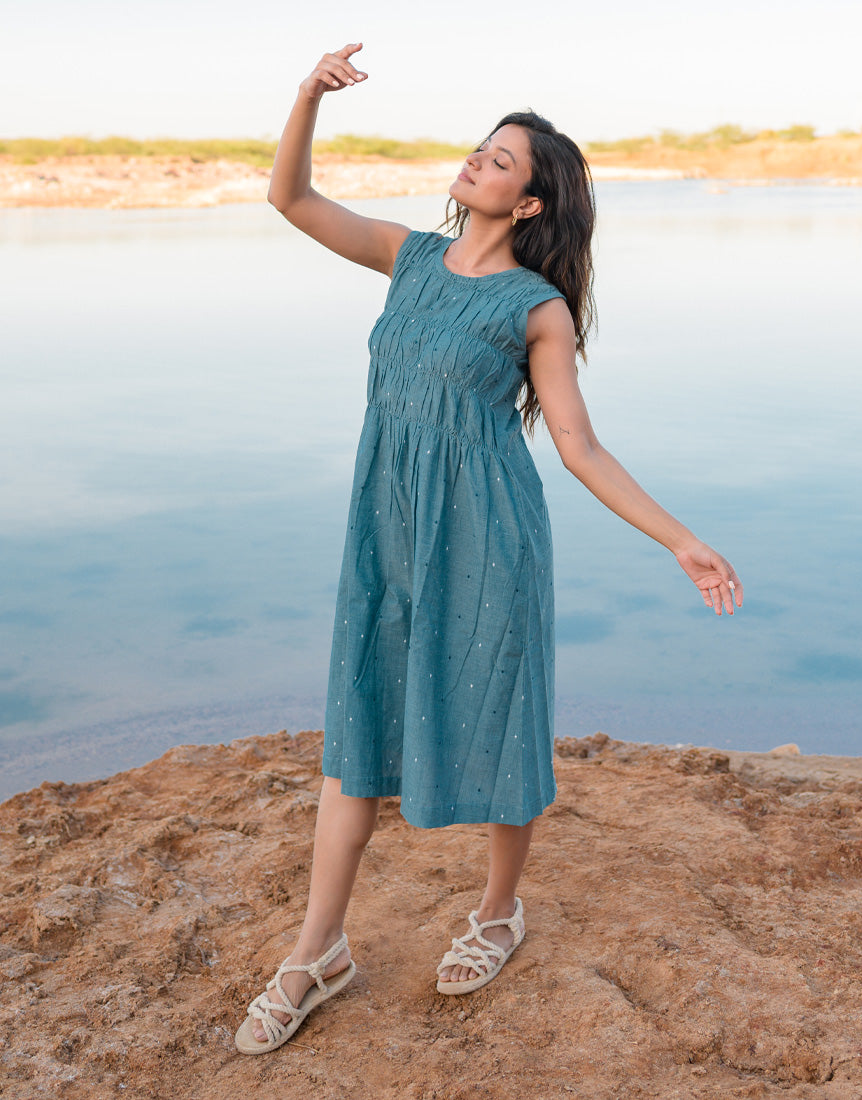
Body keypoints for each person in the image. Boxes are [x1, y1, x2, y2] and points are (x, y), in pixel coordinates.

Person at [234, 42, 743, 1056]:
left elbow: (579, 445)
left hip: (488, 535)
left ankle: (500, 908)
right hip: (385, 526)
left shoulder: (534, 308)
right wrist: (305, 96)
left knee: (502, 715)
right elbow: (290, 197)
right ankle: (316, 950)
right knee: (358, 720)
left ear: (532, 204)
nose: (478, 161)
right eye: (481, 148)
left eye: (502, 160)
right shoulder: (408, 256)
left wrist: (680, 539)